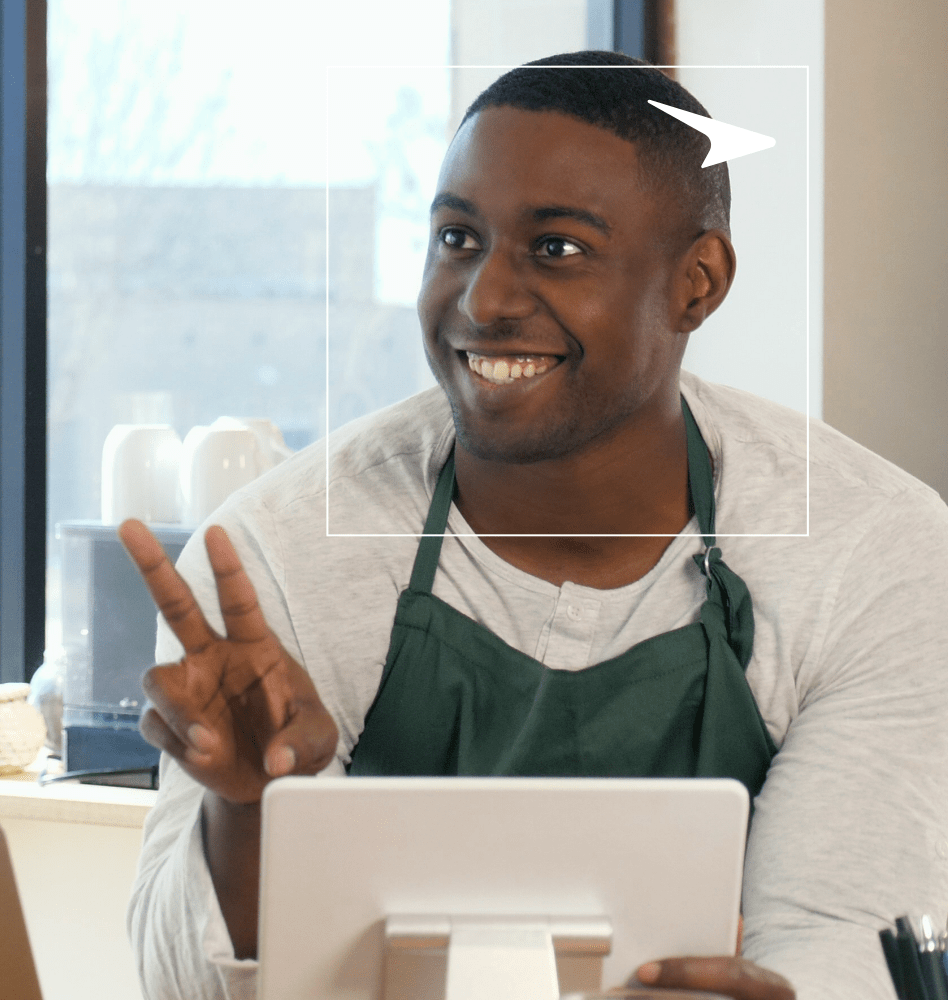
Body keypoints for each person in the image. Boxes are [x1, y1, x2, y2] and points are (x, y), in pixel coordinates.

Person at [121, 52, 948, 1000]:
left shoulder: (872, 548)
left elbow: (845, 940)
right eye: (458, 238)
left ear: (698, 284)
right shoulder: (280, 549)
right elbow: (179, 987)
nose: (484, 301)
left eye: (556, 248)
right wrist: (257, 811)